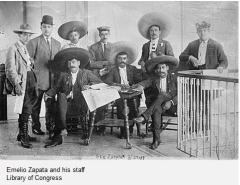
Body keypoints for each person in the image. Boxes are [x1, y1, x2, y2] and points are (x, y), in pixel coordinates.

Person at [44, 48, 102, 148]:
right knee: (61, 96)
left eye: (74, 62)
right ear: (67, 64)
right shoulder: (64, 74)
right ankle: (62, 129)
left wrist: (90, 86)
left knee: (59, 105)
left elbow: (100, 83)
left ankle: (59, 133)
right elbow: (56, 87)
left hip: (80, 105)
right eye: (69, 62)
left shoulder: (86, 73)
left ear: (79, 63)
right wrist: (48, 94)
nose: (72, 64)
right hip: (65, 105)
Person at [133, 55, 179, 150]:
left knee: (162, 94)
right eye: (158, 68)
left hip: (172, 106)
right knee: (156, 110)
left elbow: (183, 93)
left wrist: (171, 102)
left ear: (167, 68)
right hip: (158, 106)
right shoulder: (154, 78)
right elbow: (146, 82)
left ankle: (145, 116)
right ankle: (156, 140)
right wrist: (141, 86)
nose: (160, 70)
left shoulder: (174, 78)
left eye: (163, 67)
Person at [27, 15, 61, 136]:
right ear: (41, 27)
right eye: (44, 26)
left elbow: (59, 62)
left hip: (52, 80)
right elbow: (28, 62)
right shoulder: (34, 42)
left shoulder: (58, 44)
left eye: (49, 27)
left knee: (50, 106)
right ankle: (36, 126)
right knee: (36, 105)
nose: (47, 29)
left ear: (52, 28)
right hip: (38, 80)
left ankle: (50, 126)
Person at [5, 24, 37, 148]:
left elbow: (25, 65)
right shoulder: (13, 48)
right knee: (24, 108)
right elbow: (10, 69)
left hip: (30, 79)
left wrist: (31, 63)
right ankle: (23, 136)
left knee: (27, 108)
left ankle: (22, 134)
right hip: (22, 82)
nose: (27, 37)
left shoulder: (24, 48)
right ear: (19, 35)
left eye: (29, 35)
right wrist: (16, 84)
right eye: (25, 35)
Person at [104, 41, 143, 139]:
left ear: (127, 59)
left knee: (134, 108)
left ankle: (129, 129)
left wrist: (134, 86)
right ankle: (123, 130)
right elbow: (108, 80)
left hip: (132, 93)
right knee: (122, 108)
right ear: (116, 59)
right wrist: (119, 85)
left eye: (124, 58)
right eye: (120, 58)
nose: (122, 60)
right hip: (119, 94)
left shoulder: (132, 68)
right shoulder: (113, 70)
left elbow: (139, 80)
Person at [137, 12, 175, 112]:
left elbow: (171, 58)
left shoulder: (166, 44)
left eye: (155, 30)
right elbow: (143, 58)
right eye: (151, 30)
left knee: (160, 97)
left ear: (160, 32)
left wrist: (158, 56)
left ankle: (158, 119)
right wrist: (141, 62)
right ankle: (152, 121)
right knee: (149, 98)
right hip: (149, 75)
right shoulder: (146, 45)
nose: (153, 32)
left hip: (160, 74)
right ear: (149, 32)